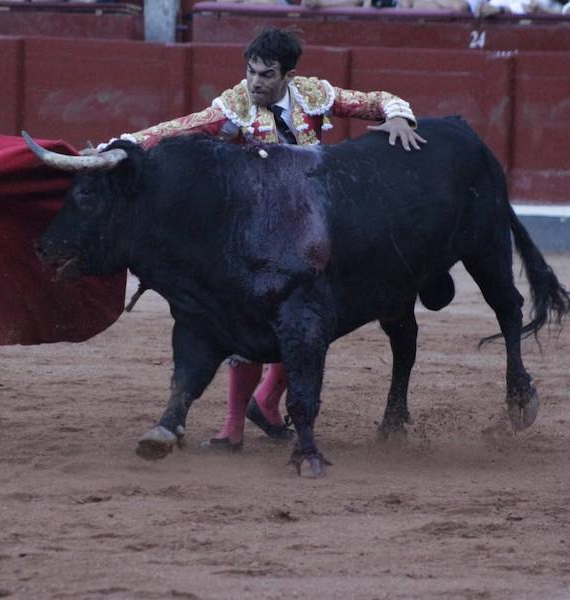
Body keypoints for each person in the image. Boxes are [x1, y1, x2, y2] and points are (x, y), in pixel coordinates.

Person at [102, 28, 425, 451]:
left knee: (308, 320)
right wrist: (124, 146)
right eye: (251, 72)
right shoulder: (234, 106)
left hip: (310, 223)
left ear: (288, 75)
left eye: (266, 75)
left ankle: (267, 401)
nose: (255, 82)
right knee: (250, 321)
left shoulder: (313, 94)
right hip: (251, 232)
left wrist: (399, 116)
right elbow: (179, 128)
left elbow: (377, 100)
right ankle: (232, 426)